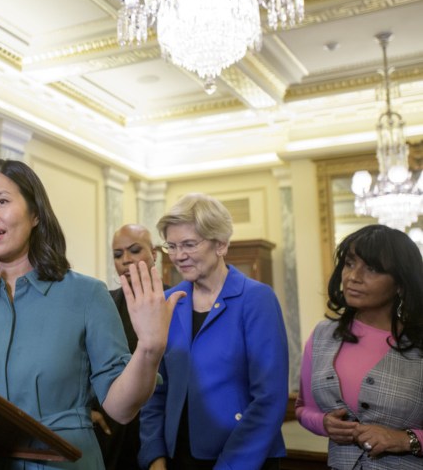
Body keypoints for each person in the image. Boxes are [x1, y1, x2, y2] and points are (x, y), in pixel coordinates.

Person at [0, 159, 183, 469]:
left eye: (1, 201)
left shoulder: (86, 295)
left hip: (64, 461)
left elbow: (121, 409)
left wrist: (149, 350)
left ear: (36, 213)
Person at [139, 193, 288, 470]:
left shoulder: (256, 299)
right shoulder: (169, 301)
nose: (178, 256)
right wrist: (154, 456)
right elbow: (155, 388)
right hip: (177, 458)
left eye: (189, 245)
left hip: (245, 459)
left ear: (221, 244)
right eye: (171, 246)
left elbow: (269, 398)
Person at [295, 224, 423, 468]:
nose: (353, 277)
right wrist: (323, 423)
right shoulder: (322, 335)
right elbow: (303, 408)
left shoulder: (419, 343)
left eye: (372, 269)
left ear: (400, 283)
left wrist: (406, 440)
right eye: (350, 263)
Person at [93, 224, 159, 470]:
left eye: (134, 250)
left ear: (154, 253)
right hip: (111, 427)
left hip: (157, 424)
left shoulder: (173, 302)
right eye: (118, 255)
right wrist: (84, 409)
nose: (127, 260)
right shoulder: (105, 303)